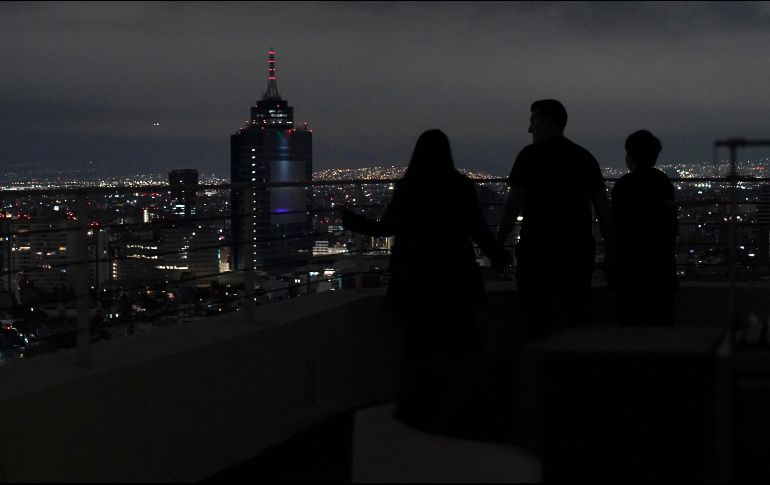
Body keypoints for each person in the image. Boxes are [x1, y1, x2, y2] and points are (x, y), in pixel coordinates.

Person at [339, 129, 509, 437]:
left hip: (415, 279)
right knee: (462, 348)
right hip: (457, 278)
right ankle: (464, 413)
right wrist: (499, 257)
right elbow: (478, 230)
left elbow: (386, 227)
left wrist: (351, 221)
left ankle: (419, 412)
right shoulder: (462, 187)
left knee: (418, 349)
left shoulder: (408, 187)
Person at [497, 99, 610, 339]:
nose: (530, 129)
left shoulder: (529, 157)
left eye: (533, 121)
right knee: (576, 318)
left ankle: (538, 372)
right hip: (576, 252)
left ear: (547, 121)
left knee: (535, 321)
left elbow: (513, 204)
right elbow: (603, 210)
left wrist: (498, 243)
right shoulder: (584, 158)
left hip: (537, 252)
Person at [610, 130, 678, 326]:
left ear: (630, 156)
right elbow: (671, 224)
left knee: (630, 323)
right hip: (660, 266)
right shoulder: (663, 183)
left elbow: (617, 227)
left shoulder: (624, 185)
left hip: (630, 267)